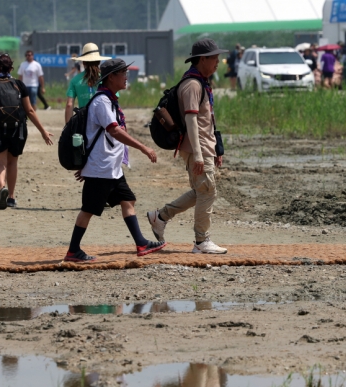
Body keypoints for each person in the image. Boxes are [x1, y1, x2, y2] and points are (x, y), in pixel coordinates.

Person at [64, 58, 165, 262]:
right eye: (123, 73)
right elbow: (114, 131)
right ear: (111, 77)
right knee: (88, 211)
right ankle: (73, 251)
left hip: (111, 167)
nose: (126, 77)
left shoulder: (110, 99)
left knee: (128, 200)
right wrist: (143, 147)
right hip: (101, 168)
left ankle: (141, 243)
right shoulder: (102, 101)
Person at [147, 39, 229, 255]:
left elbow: (208, 120)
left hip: (203, 146)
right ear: (203, 59)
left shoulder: (201, 82)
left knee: (201, 190)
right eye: (215, 58)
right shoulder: (192, 85)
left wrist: (217, 149)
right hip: (197, 147)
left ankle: (161, 216)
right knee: (207, 191)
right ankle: (201, 241)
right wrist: (200, 155)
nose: (218, 63)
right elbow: (192, 122)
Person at [0, 54, 54, 210]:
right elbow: (29, 110)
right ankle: (12, 197)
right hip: (17, 130)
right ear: (12, 68)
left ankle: (2, 188)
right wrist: (43, 131)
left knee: (0, 164)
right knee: (12, 162)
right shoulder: (19, 85)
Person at [65, 42, 110, 123]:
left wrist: (68, 129)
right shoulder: (107, 78)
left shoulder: (75, 80)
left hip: (84, 122)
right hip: (104, 122)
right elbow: (114, 100)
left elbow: (69, 104)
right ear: (99, 61)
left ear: (83, 62)